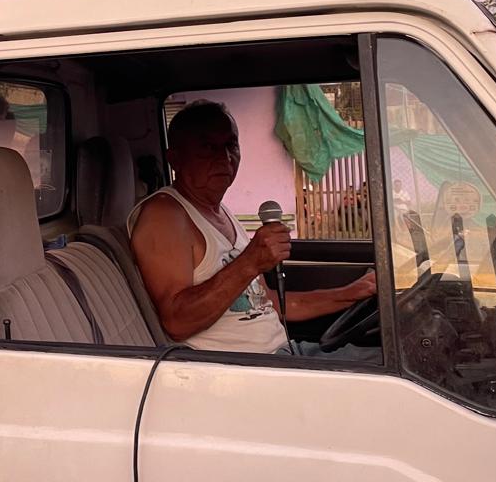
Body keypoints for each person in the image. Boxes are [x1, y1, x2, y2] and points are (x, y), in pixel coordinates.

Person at [129, 100, 378, 358]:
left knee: (386, 358)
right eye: (208, 147)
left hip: (285, 353)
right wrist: (250, 261)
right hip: (249, 369)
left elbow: (270, 303)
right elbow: (177, 322)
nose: (224, 158)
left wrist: (351, 293)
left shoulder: (221, 212)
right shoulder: (165, 215)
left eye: (231, 145)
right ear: (175, 159)